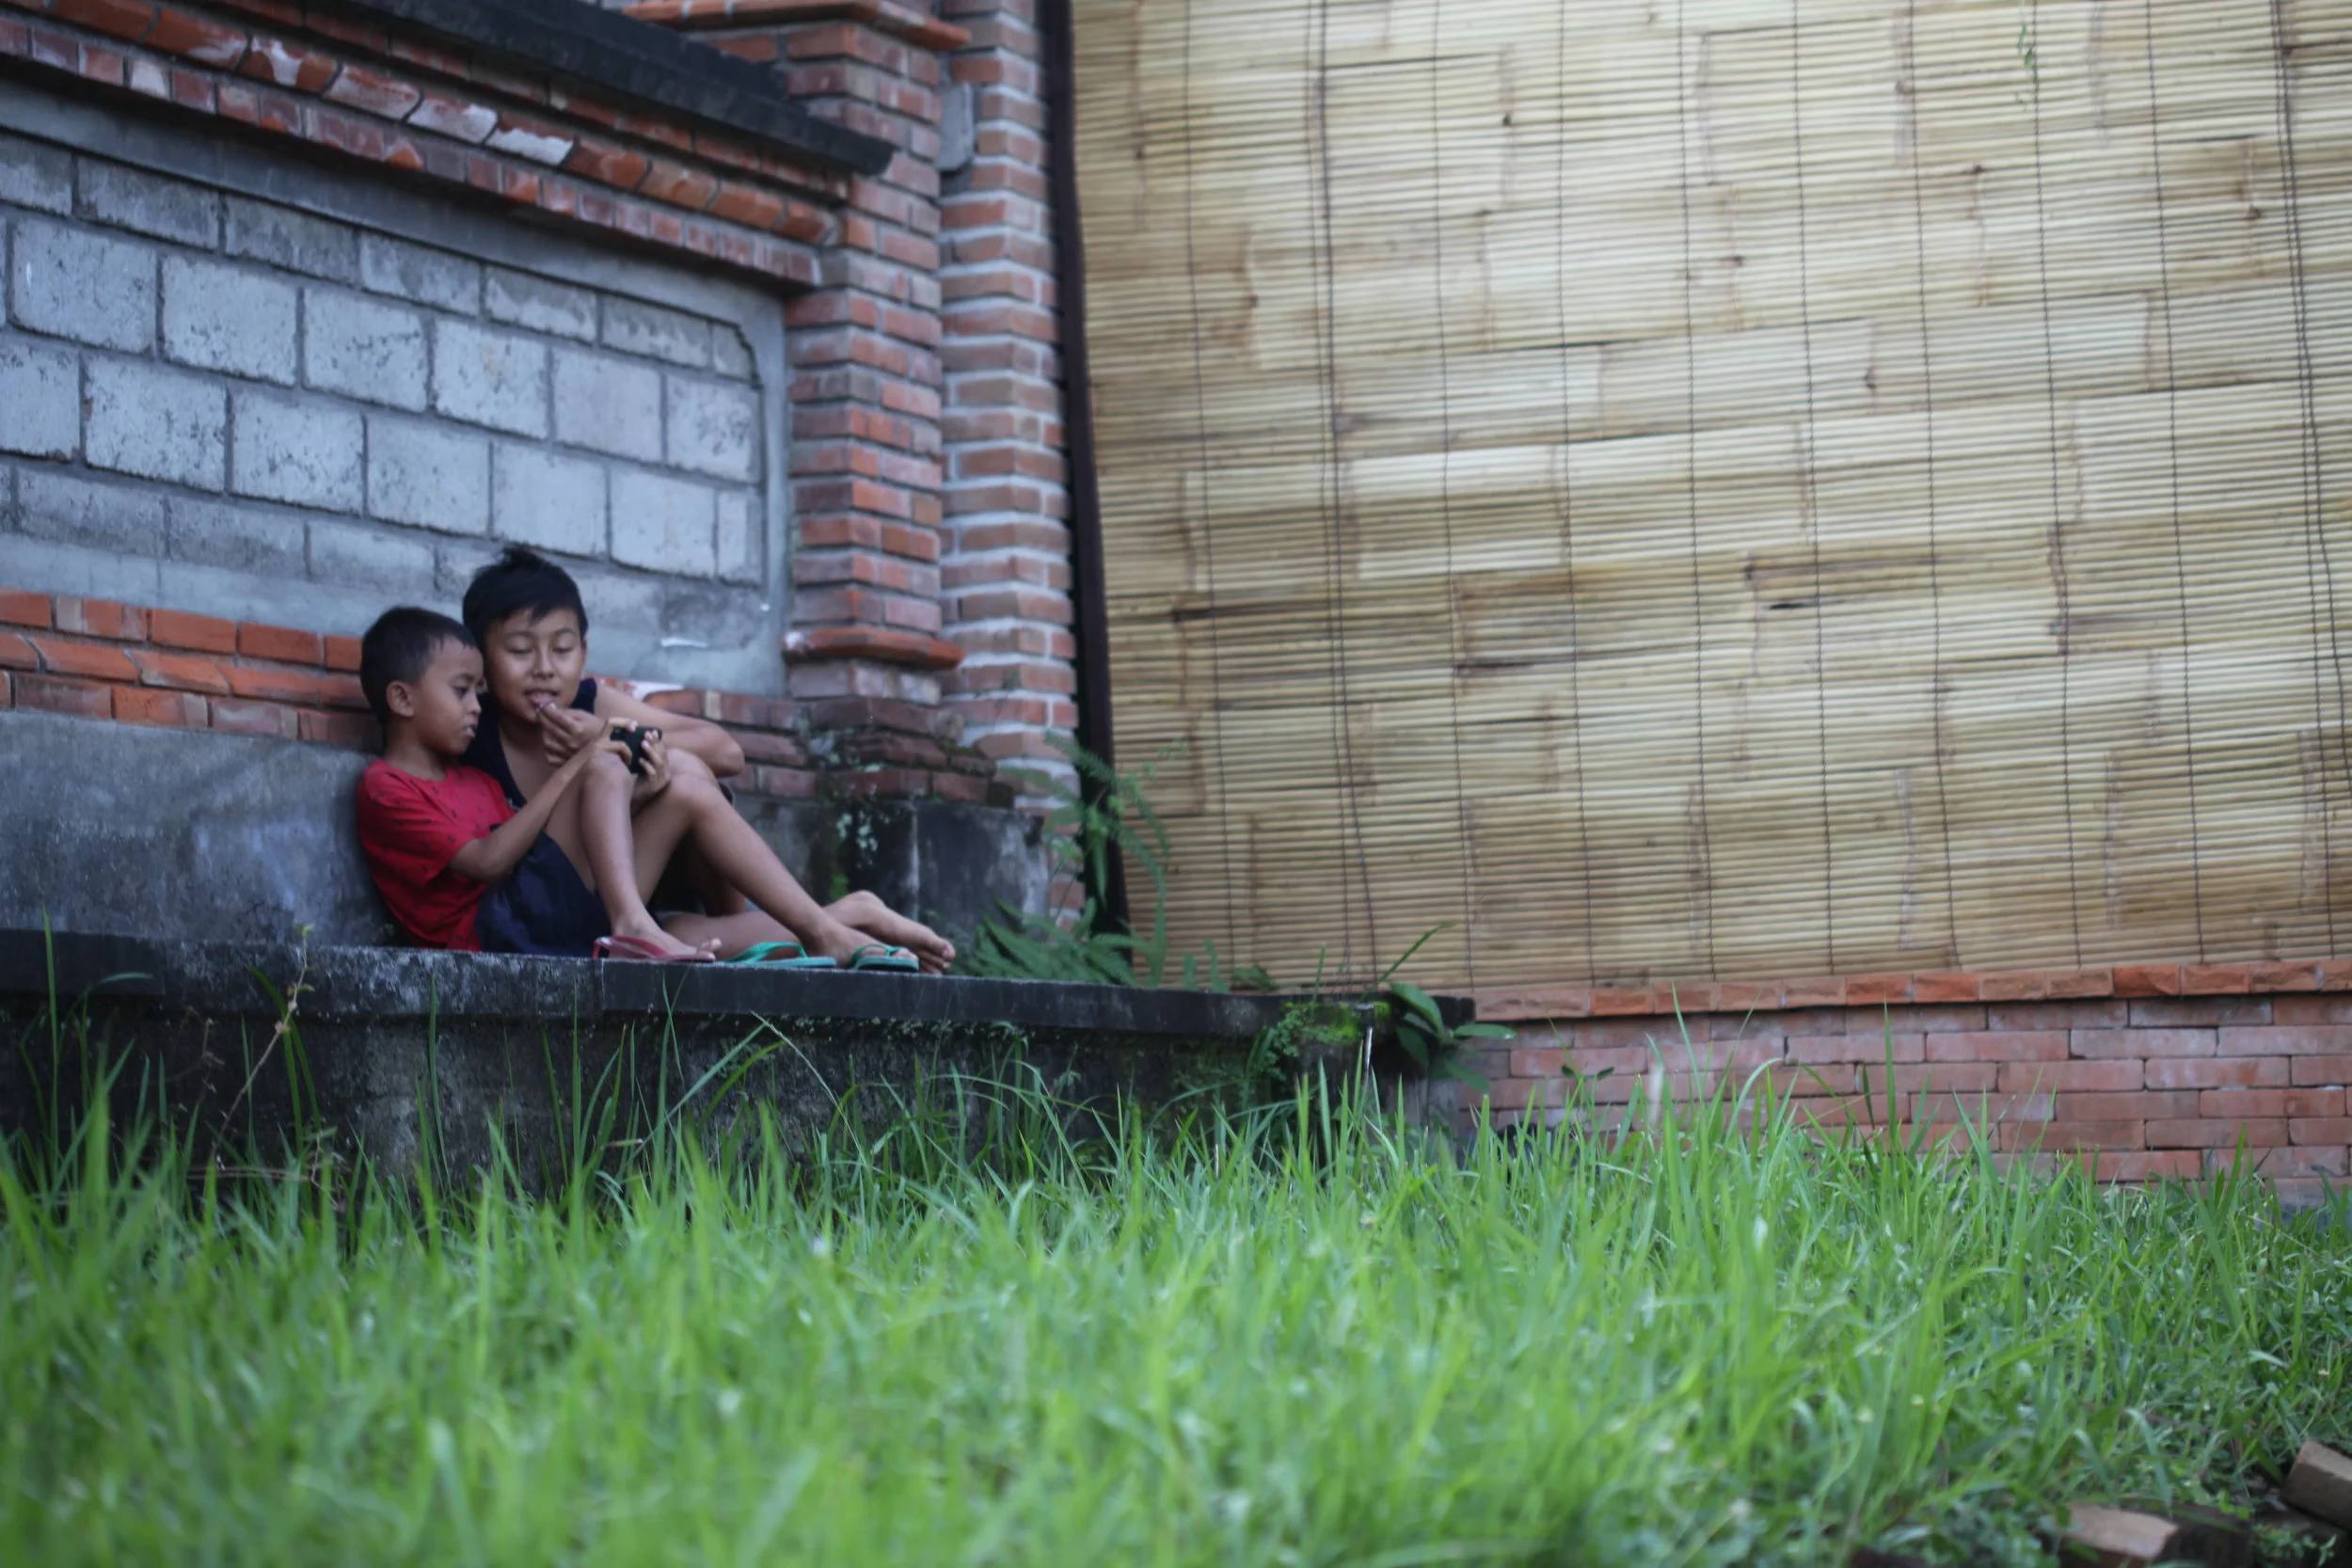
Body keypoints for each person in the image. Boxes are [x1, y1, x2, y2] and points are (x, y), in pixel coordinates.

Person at [456, 546, 954, 972]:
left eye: (561, 650)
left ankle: (828, 925)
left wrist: (617, 738)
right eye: (520, 651)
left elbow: (727, 751)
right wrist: (599, 753)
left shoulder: (592, 703)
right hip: (542, 918)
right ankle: (846, 916)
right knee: (693, 921)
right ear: (480, 662)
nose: (544, 670)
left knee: (691, 775)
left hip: (618, 906)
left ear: (583, 654)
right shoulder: (471, 727)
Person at [352, 607, 638, 956]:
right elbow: (487, 863)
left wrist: (643, 789)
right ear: (402, 699)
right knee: (601, 768)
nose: (476, 707)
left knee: (675, 794)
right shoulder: (386, 787)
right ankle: (631, 926)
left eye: (478, 691)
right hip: (487, 940)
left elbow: (537, 854)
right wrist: (577, 765)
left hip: (537, 916)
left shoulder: (476, 780)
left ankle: (640, 925)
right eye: (461, 691)